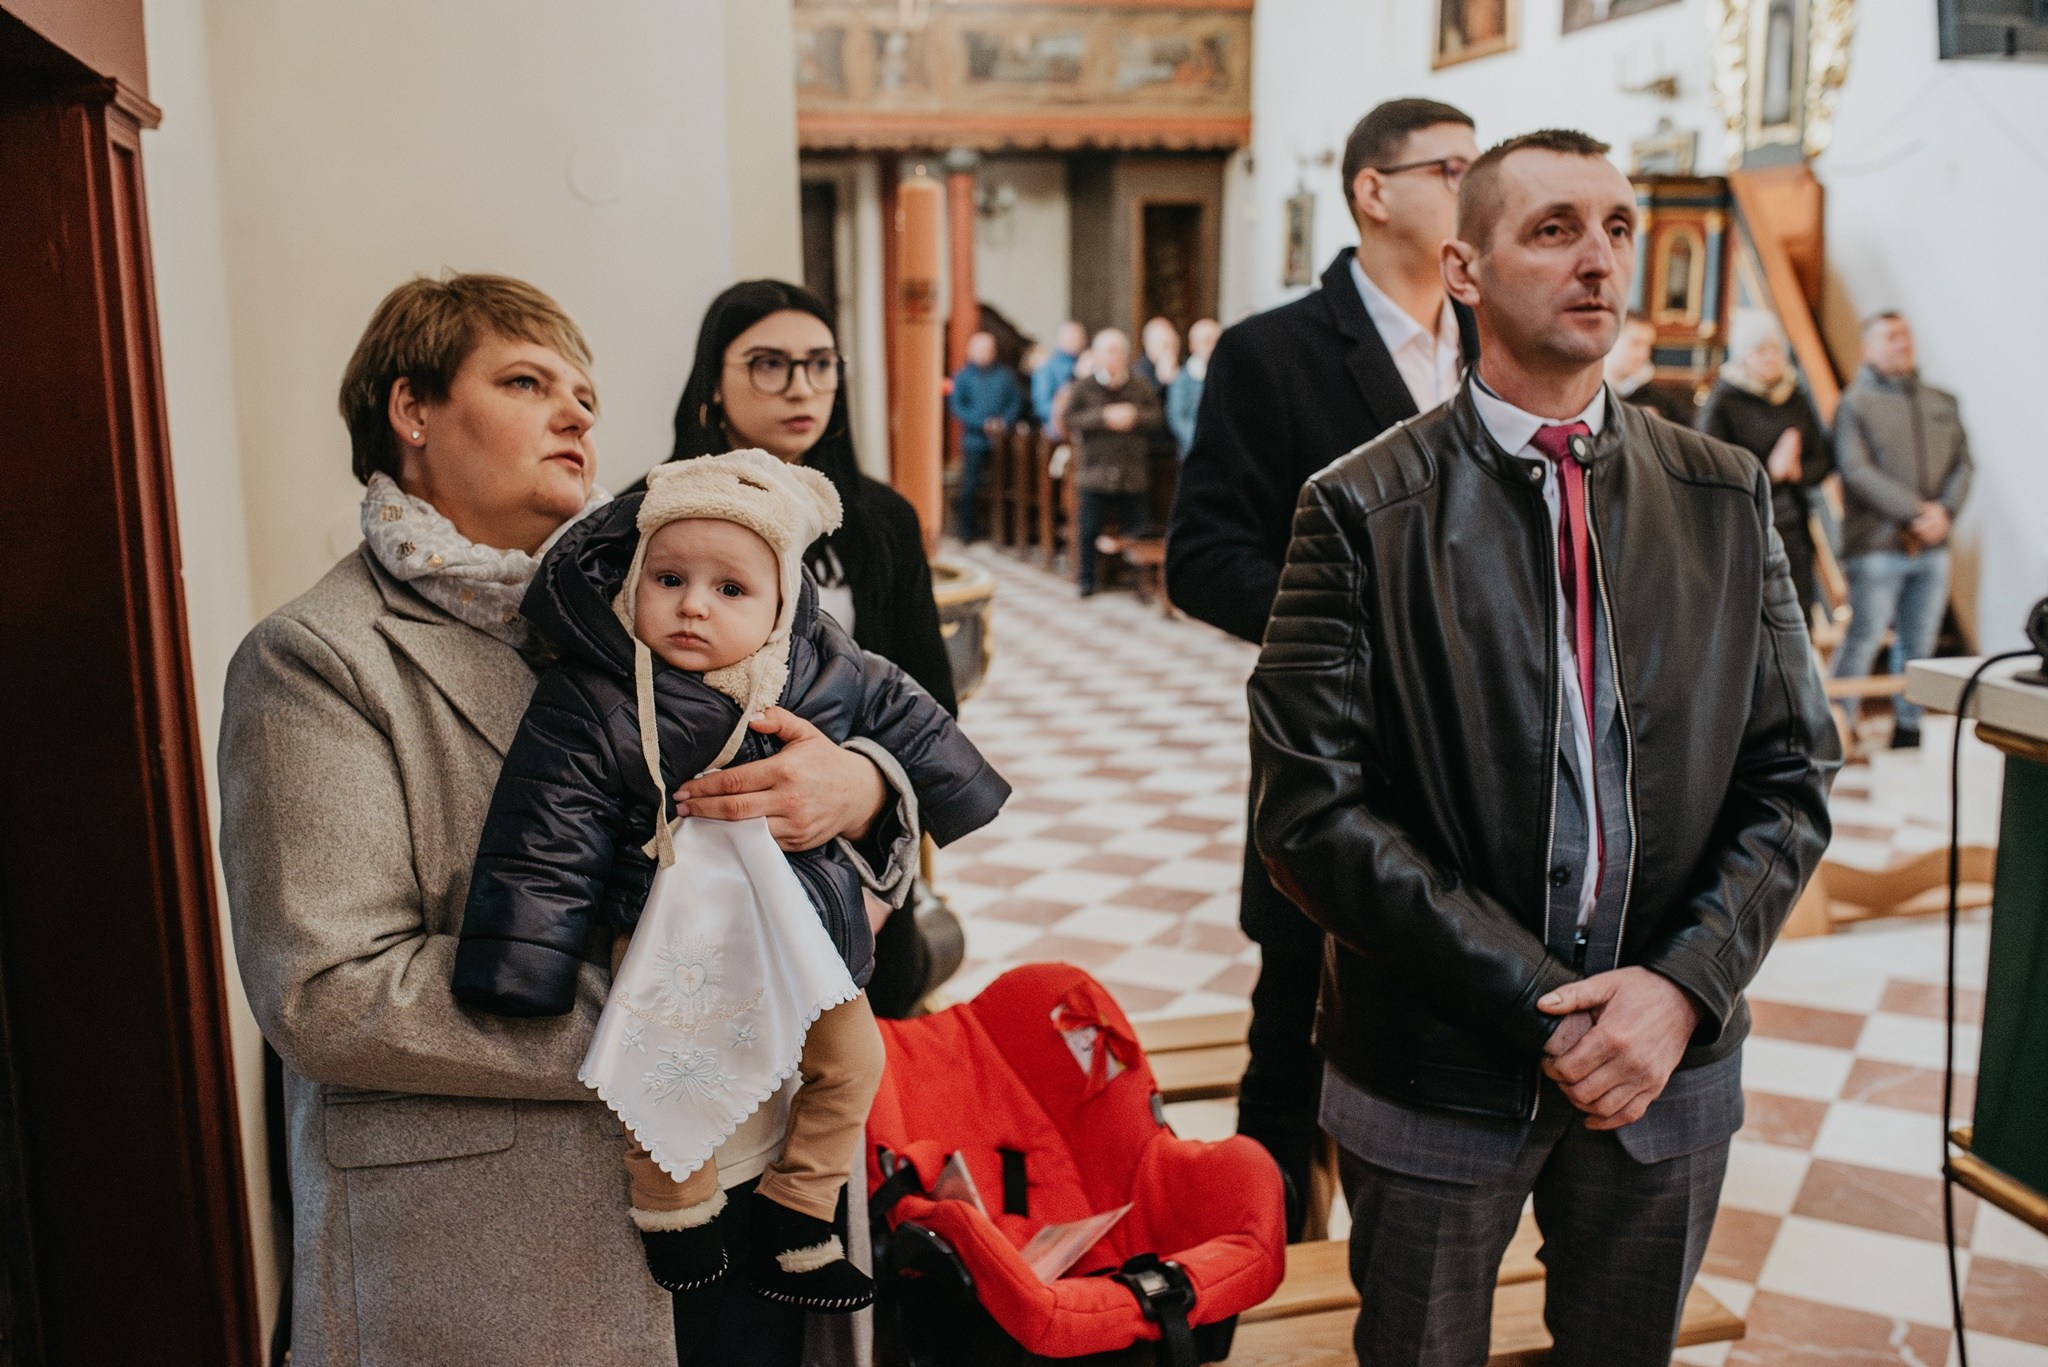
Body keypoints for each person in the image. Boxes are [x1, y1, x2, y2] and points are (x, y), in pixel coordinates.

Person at [218, 273, 925, 1366]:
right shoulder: (319, 655)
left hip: (761, 1182)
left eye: (585, 394)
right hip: (513, 1234)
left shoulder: (662, 611)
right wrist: (696, 1012)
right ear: (412, 412)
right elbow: (329, 992)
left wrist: (862, 788)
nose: (576, 415)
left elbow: (852, 737)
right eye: (525, 381)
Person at [1250, 130, 1837, 1365]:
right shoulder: (1358, 508)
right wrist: (1544, 1010)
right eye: (1553, 228)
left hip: (1667, 1064)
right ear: (1463, 268)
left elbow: (1791, 776)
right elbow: (1311, 816)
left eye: (1615, 229)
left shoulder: (1723, 493)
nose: (1597, 261)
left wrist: (1679, 987)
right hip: (1437, 1066)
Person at [453, 451, 1007, 1309]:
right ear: (633, 579)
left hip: (801, 928)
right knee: (673, 1056)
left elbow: (913, 719)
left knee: (855, 1060)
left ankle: (803, 1201)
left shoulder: (824, 669)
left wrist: (945, 787)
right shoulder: (597, 694)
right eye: (669, 578)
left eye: (731, 589)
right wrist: (521, 964)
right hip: (673, 918)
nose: (694, 604)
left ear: (783, 602)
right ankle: (674, 1203)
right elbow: (543, 830)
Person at [1164, 97, 1480, 1238]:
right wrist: (1361, 633)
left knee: (1461, 1039)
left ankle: (1424, 1265)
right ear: (1372, 189)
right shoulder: (1273, 352)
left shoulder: (1495, 346)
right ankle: (1257, 1266)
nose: (1473, 187)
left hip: (1485, 777)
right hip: (1335, 768)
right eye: (1453, 167)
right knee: (1294, 1037)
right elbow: (1200, 558)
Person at [662, 280, 962, 1016]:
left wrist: (866, 801)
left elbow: (933, 707)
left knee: (857, 1093)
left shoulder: (883, 520)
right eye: (769, 363)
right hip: (702, 853)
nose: (802, 386)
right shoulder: (662, 511)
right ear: (714, 383)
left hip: (853, 851)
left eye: (821, 363)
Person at [1829, 310, 1973, 749]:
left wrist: (1943, 513)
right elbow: (1855, 470)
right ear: (1867, 349)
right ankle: (1835, 728)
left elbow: (1963, 465)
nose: (1900, 343)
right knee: (1865, 636)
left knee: (1920, 640)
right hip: (1877, 545)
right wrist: (1915, 512)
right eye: (1889, 337)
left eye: (1905, 335)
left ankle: (1908, 728)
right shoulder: (1855, 403)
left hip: (1933, 546)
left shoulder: (1942, 401)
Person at [1696, 310, 1833, 616]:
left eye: (1776, 349)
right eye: (1761, 351)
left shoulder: (1795, 398)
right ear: (1743, 357)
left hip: (1793, 525)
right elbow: (1711, 471)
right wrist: (1769, 470)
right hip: (1746, 529)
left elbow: (1822, 460)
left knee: (1798, 616)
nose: (1771, 358)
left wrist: (1796, 472)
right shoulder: (1722, 403)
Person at [1063, 328, 1164, 597]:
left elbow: (1156, 418)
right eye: (1108, 350)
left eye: (1118, 350)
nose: (1114, 356)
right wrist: (1104, 417)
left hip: (1132, 470)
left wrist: (1134, 416)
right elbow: (1070, 420)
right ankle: (1087, 580)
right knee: (1089, 529)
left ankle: (1137, 581)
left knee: (1137, 529)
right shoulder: (1083, 387)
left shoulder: (1140, 385)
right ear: (1096, 355)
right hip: (1095, 470)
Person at [946, 330, 1024, 542]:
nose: (985, 353)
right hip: (974, 440)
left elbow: (1015, 402)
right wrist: (982, 423)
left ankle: (1002, 533)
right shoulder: (962, 376)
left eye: (989, 349)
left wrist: (1003, 422)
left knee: (1005, 488)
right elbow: (957, 406)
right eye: (981, 349)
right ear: (971, 351)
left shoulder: (1005, 376)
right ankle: (967, 532)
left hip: (1001, 442)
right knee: (969, 487)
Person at [1605, 311, 1697, 425]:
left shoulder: (1662, 401)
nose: (1643, 354)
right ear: (1609, 341)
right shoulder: (1587, 394)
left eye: (1648, 346)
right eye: (1636, 343)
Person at [1166, 318, 1220, 457]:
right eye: (1207, 341)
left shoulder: (1231, 374)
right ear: (1193, 346)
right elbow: (1178, 418)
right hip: (1196, 452)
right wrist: (1203, 442)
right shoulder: (1182, 380)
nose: (1212, 347)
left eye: (1217, 341)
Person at [1032, 320, 1087, 427]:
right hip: (1060, 423)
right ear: (1060, 340)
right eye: (1073, 338)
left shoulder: (1089, 362)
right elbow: (1042, 406)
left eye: (1081, 338)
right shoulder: (1046, 368)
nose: (1078, 341)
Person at [1134, 315, 1181, 392]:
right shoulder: (1139, 374)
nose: (1169, 351)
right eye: (1163, 346)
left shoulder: (1186, 366)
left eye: (1172, 345)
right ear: (1148, 346)